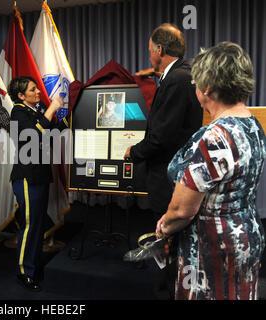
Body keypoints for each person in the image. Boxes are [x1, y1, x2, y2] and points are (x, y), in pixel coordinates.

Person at [155, 42, 265, 300]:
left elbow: (182, 210)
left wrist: (164, 229)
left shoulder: (214, 138)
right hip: (246, 235)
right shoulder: (253, 125)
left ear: (206, 89)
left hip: (212, 248)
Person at [124, 23, 203, 299]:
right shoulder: (183, 74)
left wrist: (134, 152)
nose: (149, 56)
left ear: (160, 49)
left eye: (150, 51)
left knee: (167, 240)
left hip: (169, 177)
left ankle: (168, 290)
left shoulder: (177, 79)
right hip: (176, 174)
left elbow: (161, 135)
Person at [8, 76, 68, 291]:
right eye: (32, 90)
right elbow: (33, 135)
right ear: (21, 96)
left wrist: (65, 118)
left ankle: (33, 266)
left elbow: (49, 135)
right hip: (27, 177)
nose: (38, 92)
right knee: (30, 226)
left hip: (40, 175)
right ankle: (25, 272)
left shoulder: (33, 112)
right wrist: (51, 109)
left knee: (37, 225)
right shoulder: (18, 112)